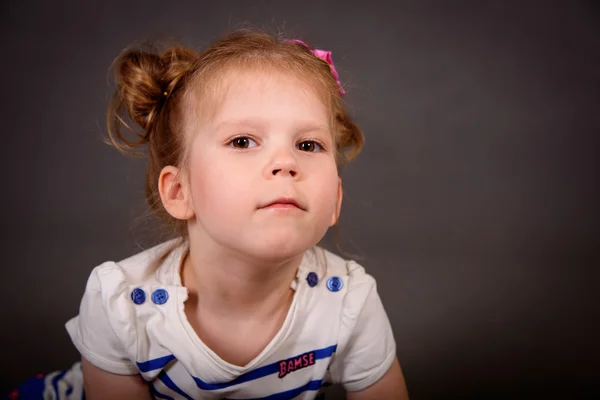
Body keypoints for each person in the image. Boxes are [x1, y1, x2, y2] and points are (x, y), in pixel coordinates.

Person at [10, 29, 409, 400]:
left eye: (308, 145)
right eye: (242, 140)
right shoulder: (124, 305)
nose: (286, 162)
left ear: (336, 198)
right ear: (180, 191)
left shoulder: (348, 301)